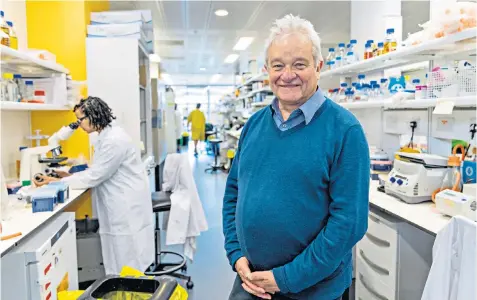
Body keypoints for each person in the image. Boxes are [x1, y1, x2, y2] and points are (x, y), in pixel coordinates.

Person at [222, 15, 370, 300]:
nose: (287, 74)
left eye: (299, 64)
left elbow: (349, 223)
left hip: (312, 290)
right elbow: (233, 193)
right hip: (249, 281)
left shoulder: (344, 130)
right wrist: (236, 254)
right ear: (267, 70)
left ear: (318, 66)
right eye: (278, 65)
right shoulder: (254, 124)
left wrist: (285, 278)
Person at [34, 96, 154, 275]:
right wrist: (69, 174)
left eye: (80, 119)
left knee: (127, 260)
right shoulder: (107, 135)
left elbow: (96, 175)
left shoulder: (114, 140)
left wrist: (56, 181)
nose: (79, 125)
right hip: (121, 201)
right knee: (120, 258)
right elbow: (98, 169)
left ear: (94, 115)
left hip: (125, 206)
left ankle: (130, 291)